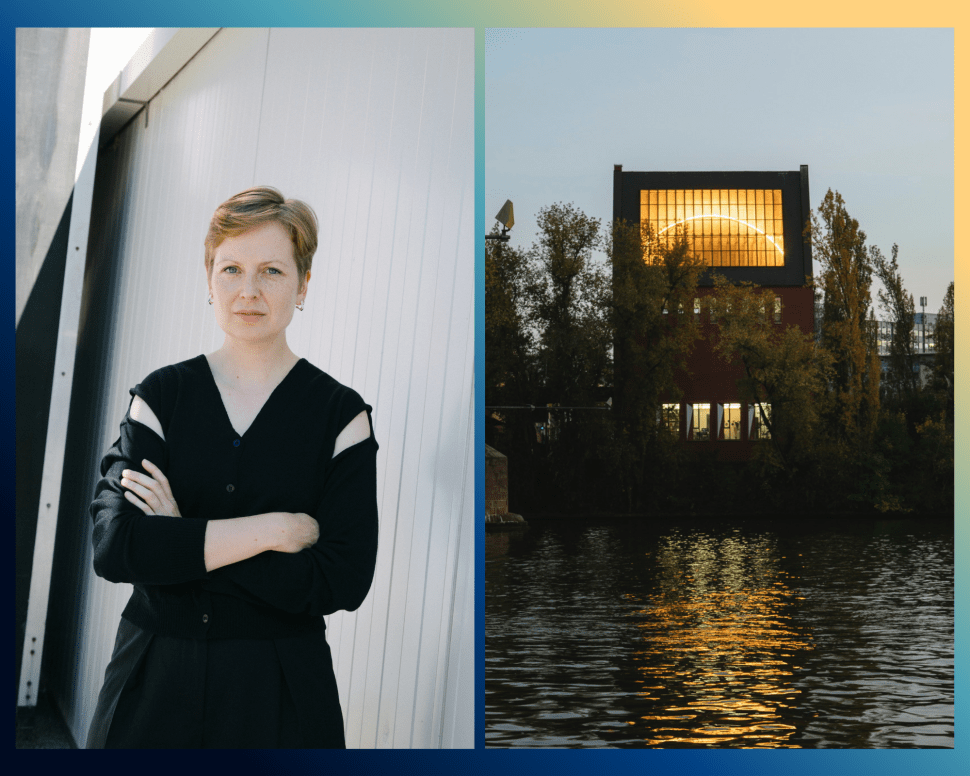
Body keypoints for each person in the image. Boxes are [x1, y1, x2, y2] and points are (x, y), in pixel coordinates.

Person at [85, 186, 379, 748]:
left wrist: (181, 540)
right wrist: (274, 531)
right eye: (231, 269)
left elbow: (343, 578)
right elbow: (116, 546)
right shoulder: (160, 398)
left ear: (303, 285)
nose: (248, 291)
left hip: (280, 694)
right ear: (209, 279)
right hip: (152, 684)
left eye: (271, 270)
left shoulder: (340, 416)